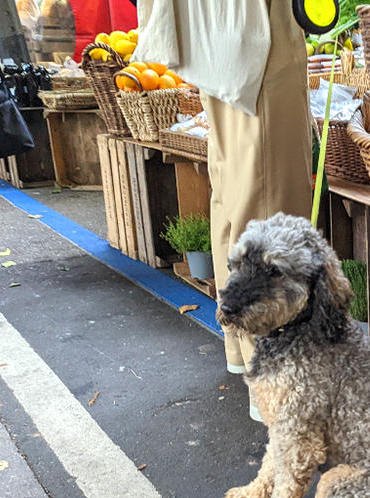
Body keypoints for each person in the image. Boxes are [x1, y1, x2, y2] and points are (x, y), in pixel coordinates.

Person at [134, 1, 313, 420]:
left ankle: (243, 349)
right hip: (255, 27)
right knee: (270, 202)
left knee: (234, 194)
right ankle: (275, 382)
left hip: (216, 31)